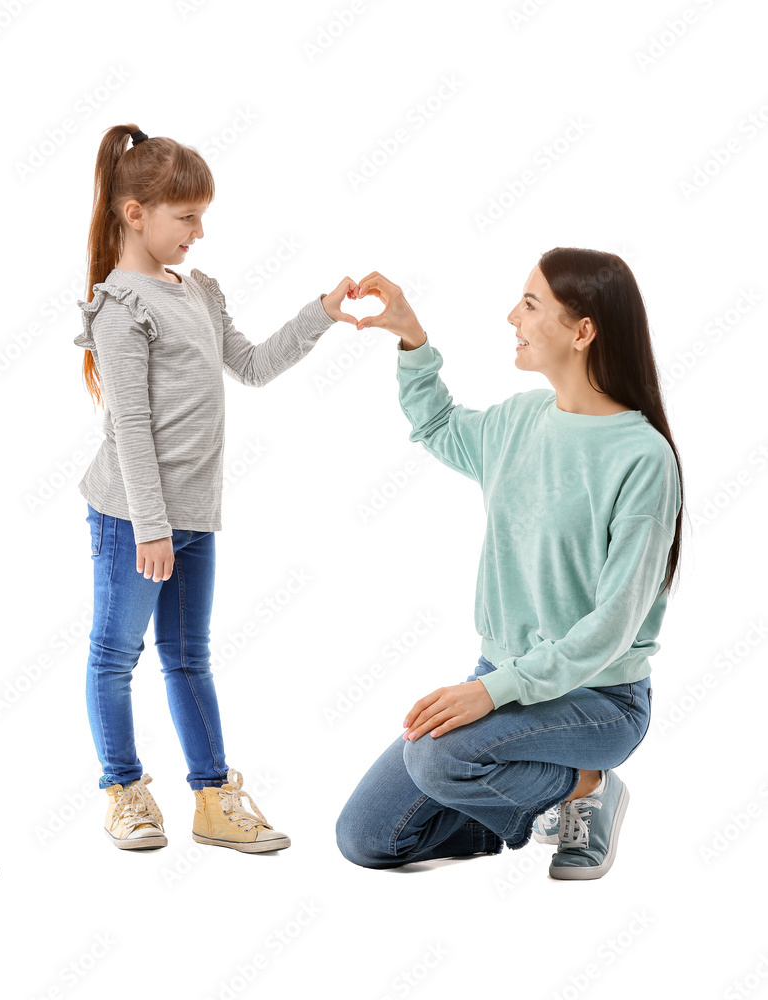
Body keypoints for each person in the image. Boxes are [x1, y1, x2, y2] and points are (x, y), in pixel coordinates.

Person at [335, 256, 684, 879]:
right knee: (366, 837)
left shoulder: (643, 458)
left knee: (438, 763)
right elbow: (440, 425)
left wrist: (491, 692)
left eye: (529, 304)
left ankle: (587, 786)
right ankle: (553, 795)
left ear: (582, 332)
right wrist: (411, 336)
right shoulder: (521, 420)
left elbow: (611, 628)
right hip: (505, 674)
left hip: (599, 701)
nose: (511, 317)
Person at [74, 124, 359, 852]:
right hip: (134, 518)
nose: (199, 232)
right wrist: (149, 528)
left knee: (188, 656)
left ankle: (211, 798)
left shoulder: (197, 291)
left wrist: (321, 312)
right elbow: (131, 429)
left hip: (193, 515)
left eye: (202, 216)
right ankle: (125, 790)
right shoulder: (120, 306)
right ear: (135, 214)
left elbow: (255, 366)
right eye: (186, 217)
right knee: (115, 653)